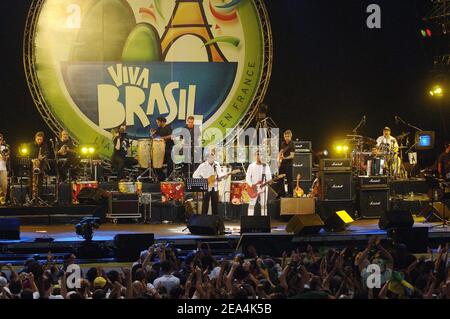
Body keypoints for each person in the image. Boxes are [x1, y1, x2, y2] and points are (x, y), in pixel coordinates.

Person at [193, 148, 224, 215]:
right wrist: (204, 180)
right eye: (210, 156)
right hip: (206, 187)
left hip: (215, 186)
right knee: (205, 204)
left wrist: (222, 177)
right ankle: (204, 219)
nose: (211, 158)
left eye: (213, 156)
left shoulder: (217, 164)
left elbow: (220, 174)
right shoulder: (203, 165)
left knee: (215, 204)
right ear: (207, 157)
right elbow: (194, 175)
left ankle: (215, 220)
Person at [246, 150, 272, 216]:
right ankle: (249, 219)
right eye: (257, 155)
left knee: (263, 205)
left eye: (260, 155)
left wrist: (270, 181)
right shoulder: (251, 166)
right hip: (253, 188)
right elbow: (247, 178)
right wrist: (252, 185)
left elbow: (269, 178)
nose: (259, 156)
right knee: (251, 205)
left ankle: (264, 219)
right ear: (255, 156)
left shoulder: (266, 166)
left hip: (263, 188)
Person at [278, 130, 295, 197]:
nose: (286, 138)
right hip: (282, 163)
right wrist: (279, 160)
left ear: (290, 136)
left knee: (289, 180)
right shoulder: (282, 143)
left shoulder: (292, 144)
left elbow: (292, 156)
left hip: (288, 164)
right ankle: (281, 194)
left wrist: (284, 158)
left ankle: (290, 194)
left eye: (288, 136)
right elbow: (280, 152)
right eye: (285, 136)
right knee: (280, 178)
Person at [0, 133, 9, 205]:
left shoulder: (5, 148)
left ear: (2, 140)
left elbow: (6, 159)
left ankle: (2, 200)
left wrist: (3, 154)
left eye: (0, 139)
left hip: (3, 168)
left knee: (4, 185)